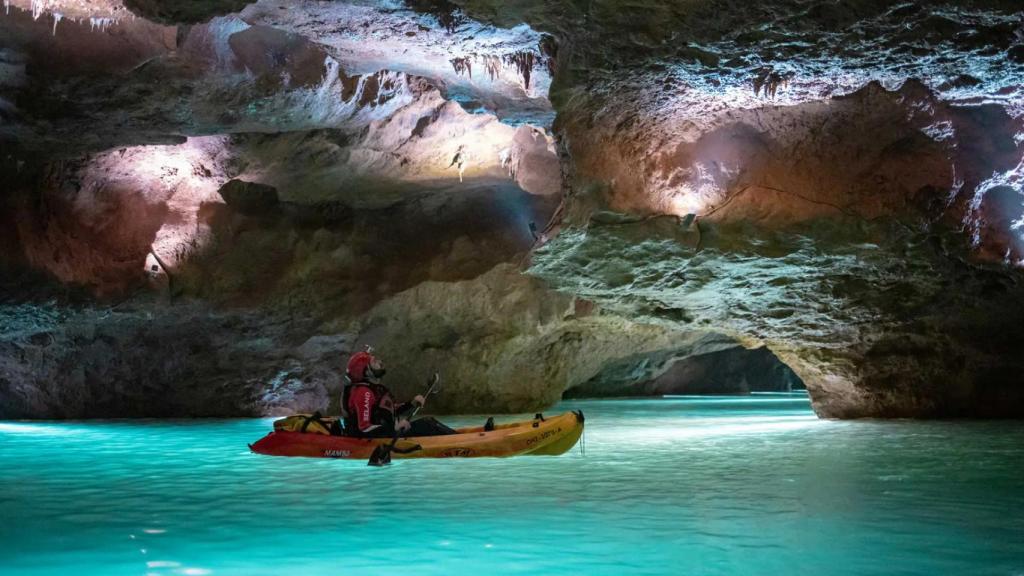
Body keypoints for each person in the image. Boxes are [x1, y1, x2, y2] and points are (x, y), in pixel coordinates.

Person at [343, 348, 455, 438]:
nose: (380, 363)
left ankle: (458, 437)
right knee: (428, 424)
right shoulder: (364, 393)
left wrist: (411, 403)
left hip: (386, 433)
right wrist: (394, 428)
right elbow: (365, 428)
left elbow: (388, 411)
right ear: (366, 371)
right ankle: (458, 440)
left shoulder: (374, 389)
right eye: (374, 362)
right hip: (377, 438)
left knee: (429, 423)